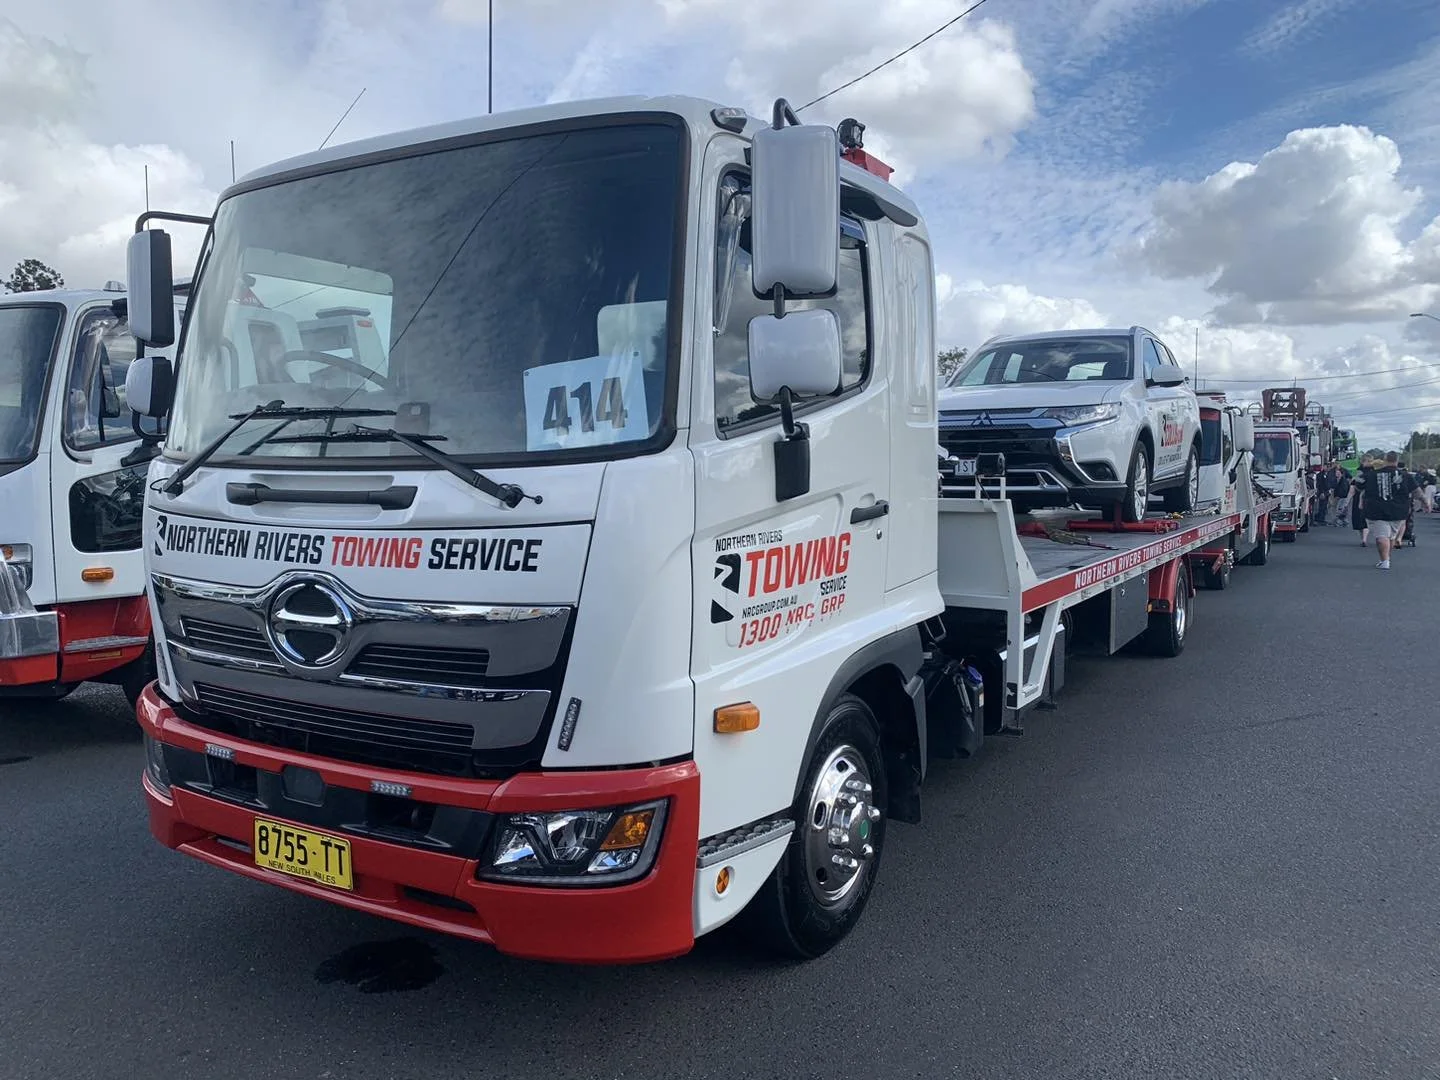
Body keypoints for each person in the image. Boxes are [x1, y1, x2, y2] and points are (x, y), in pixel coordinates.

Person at [1361, 451, 1417, 569]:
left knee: (1383, 536)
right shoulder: (1405, 475)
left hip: (1377, 510)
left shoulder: (1371, 474)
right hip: (1399, 511)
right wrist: (1426, 502)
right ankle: (1386, 559)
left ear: (1385, 460)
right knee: (1389, 536)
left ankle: (1385, 561)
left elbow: (1357, 485)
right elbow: (1416, 490)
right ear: (1396, 461)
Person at [1350, 458, 1371, 546]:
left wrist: (1348, 500)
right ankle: (1364, 539)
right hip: (1369, 498)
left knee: (1359, 518)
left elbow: (1353, 486)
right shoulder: (1374, 472)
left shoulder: (1358, 473)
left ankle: (1363, 538)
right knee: (1365, 519)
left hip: (1359, 497)